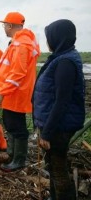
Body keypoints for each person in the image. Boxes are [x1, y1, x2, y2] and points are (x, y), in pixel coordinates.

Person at [33, 19, 85, 200]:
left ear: (58, 38)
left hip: (59, 126)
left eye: (49, 37)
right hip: (56, 123)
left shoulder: (65, 63)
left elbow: (62, 101)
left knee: (58, 168)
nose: (47, 42)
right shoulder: (61, 57)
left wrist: (47, 132)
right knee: (54, 165)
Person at [0, 12, 40, 172]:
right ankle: (12, 155)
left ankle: (18, 160)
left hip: (15, 94)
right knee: (11, 124)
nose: (4, 28)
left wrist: (2, 92)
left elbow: (17, 72)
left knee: (17, 127)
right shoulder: (20, 42)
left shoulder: (21, 44)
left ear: (10, 26)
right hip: (13, 93)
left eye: (4, 25)